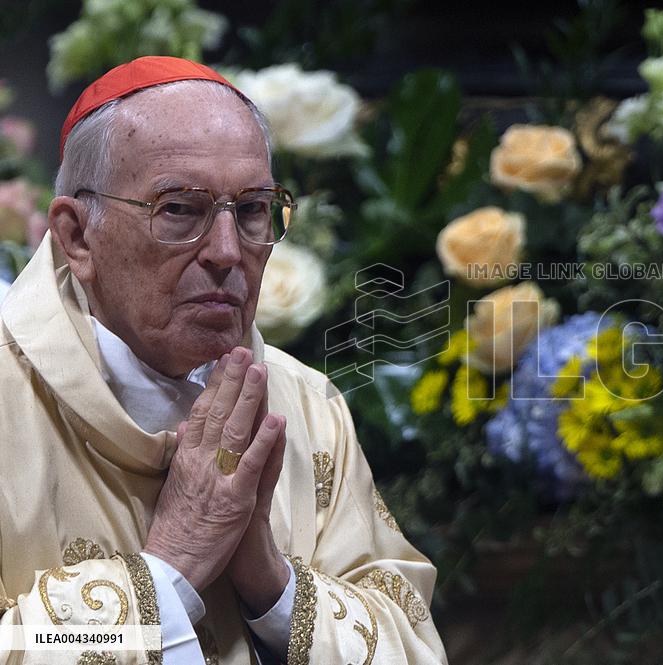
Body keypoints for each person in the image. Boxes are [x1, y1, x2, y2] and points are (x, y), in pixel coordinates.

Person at [0, 56, 447, 664]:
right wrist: (173, 565)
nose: (227, 251)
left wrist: (269, 580)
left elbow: (411, 643)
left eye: (254, 209)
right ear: (78, 236)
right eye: (179, 209)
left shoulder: (309, 406)